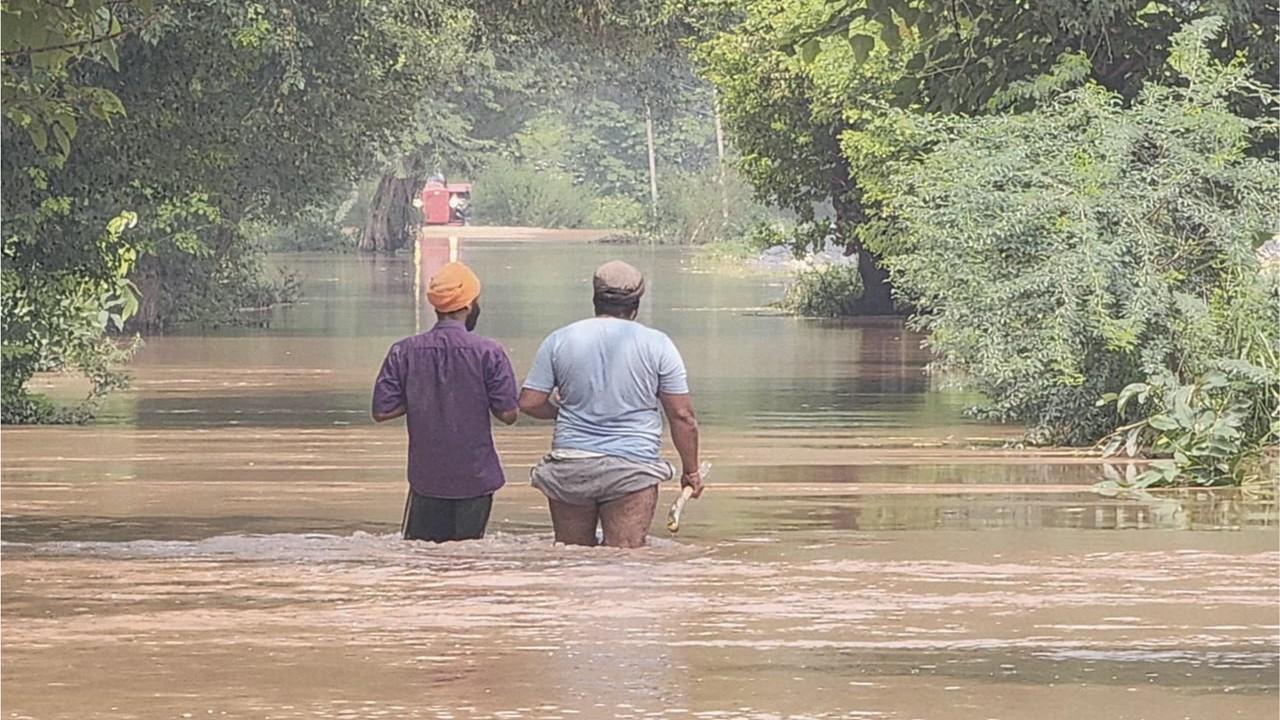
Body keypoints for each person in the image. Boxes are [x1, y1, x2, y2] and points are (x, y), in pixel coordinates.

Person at [518, 260, 704, 548]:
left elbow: (529, 403)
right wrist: (691, 471)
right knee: (625, 564)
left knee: (571, 559)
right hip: (632, 471)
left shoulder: (559, 340)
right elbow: (682, 416)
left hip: (571, 467)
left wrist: (563, 412)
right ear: (636, 305)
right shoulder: (658, 345)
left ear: (594, 299)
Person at [372, 261, 519, 542]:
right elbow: (509, 414)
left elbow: (382, 410)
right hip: (476, 477)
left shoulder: (404, 351)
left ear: (437, 306)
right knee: (467, 558)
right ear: (468, 305)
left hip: (426, 478)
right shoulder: (490, 352)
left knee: (424, 558)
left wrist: (418, 398)